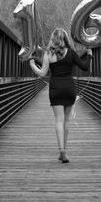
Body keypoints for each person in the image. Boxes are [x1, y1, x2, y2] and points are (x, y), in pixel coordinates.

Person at [29, 28, 92, 163]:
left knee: (59, 120)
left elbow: (42, 73)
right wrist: (89, 54)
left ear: (53, 38)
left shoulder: (48, 54)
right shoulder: (71, 53)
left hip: (55, 89)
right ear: (65, 39)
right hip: (69, 88)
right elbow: (85, 66)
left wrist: (33, 65)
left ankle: (61, 150)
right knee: (67, 120)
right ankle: (65, 150)